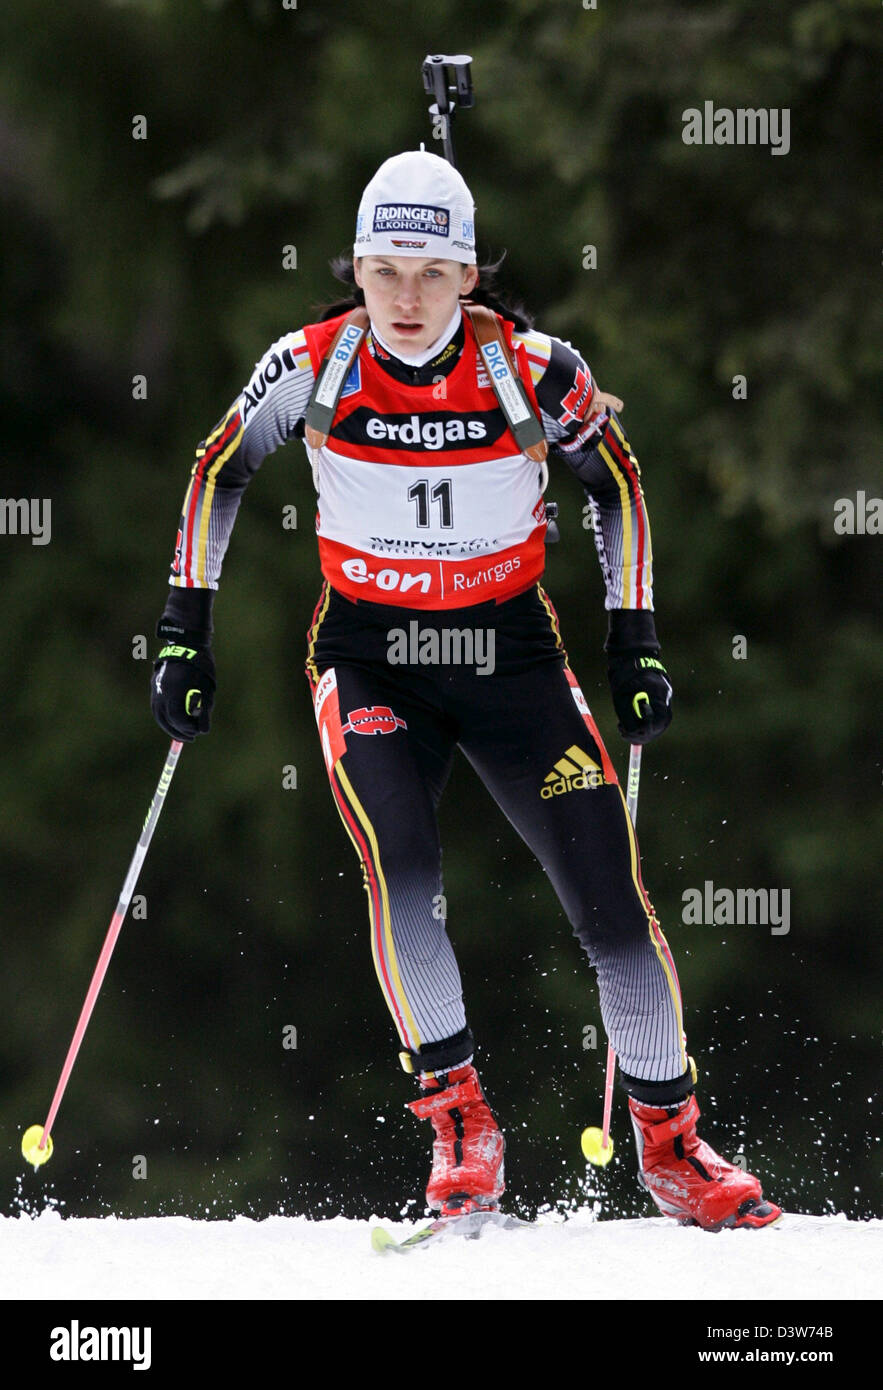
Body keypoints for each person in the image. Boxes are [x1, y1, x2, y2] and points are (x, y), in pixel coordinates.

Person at [150, 149, 779, 1231]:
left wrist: (635, 642)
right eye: (385, 269)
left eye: (432, 272)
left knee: (609, 898)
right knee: (403, 867)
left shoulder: (532, 371)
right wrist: (181, 635)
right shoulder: (312, 364)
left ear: (470, 277)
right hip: (369, 652)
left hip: (510, 658)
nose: (405, 298)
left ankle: (671, 1145)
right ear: (353, 267)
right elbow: (220, 470)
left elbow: (616, 484)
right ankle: (459, 1125)